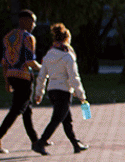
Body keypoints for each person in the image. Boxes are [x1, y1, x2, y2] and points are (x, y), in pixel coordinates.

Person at [31, 23, 88, 155]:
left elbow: (41, 76)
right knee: (57, 119)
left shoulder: (48, 56)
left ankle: (76, 143)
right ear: (67, 39)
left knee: (66, 119)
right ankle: (40, 143)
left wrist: (39, 93)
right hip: (64, 91)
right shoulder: (68, 57)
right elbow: (74, 77)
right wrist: (81, 95)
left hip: (52, 91)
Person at [0, 9, 42, 154]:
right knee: (17, 109)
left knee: (26, 109)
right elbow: (30, 61)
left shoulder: (8, 37)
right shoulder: (28, 38)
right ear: (24, 20)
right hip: (24, 77)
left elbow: (4, 62)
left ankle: (35, 141)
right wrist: (44, 69)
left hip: (12, 76)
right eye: (33, 21)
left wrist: (7, 81)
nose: (34, 25)